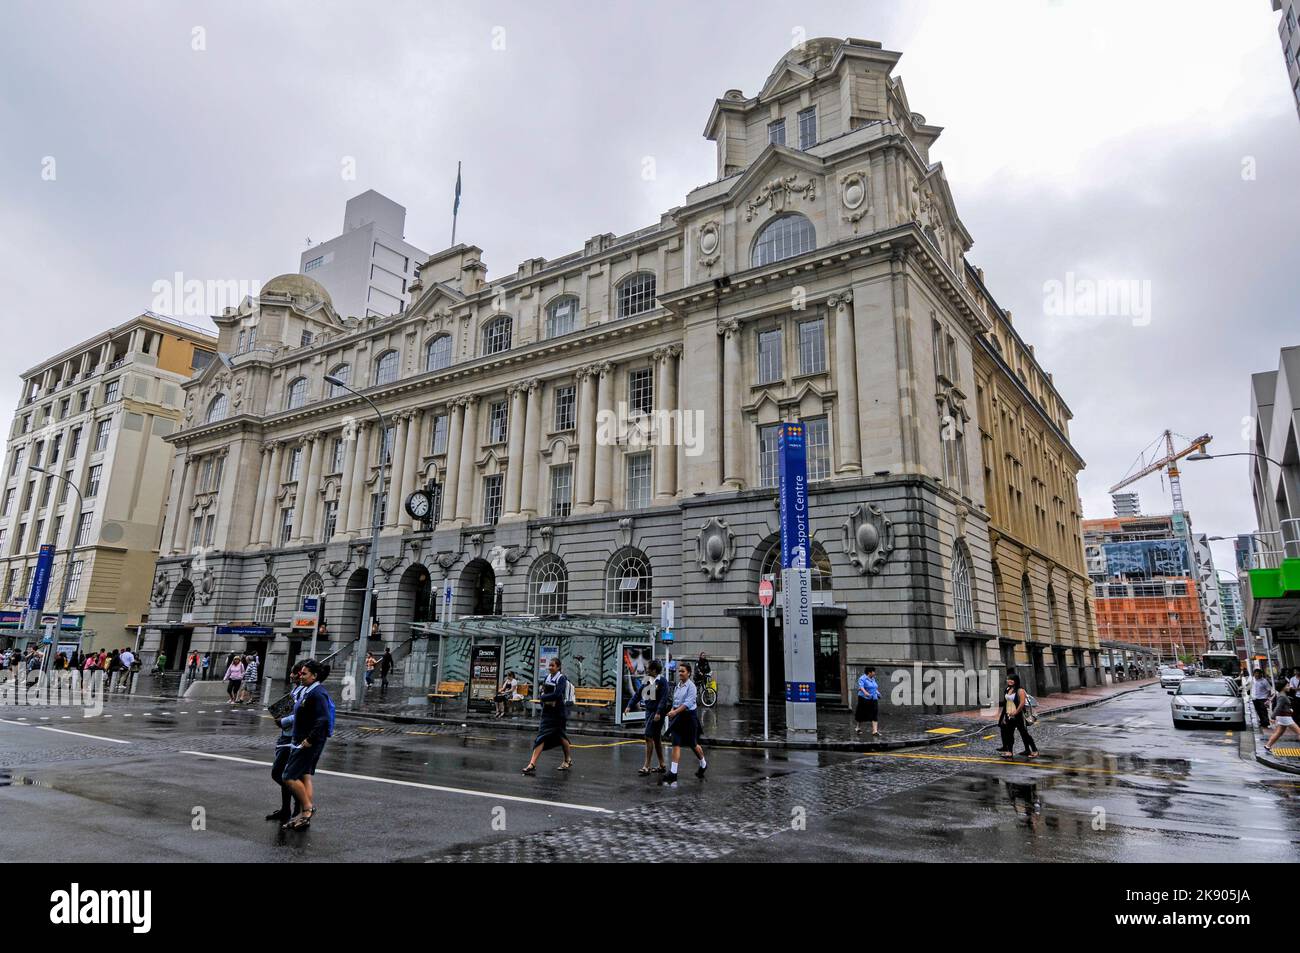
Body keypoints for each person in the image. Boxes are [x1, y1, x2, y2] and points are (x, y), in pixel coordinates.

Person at [280, 659, 334, 831]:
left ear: (314, 676)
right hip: (300, 739)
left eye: (304, 674)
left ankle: (308, 810)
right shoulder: (307, 690)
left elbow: (323, 719)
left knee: (288, 776)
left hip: (308, 742)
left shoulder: (317, 693)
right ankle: (304, 813)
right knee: (304, 775)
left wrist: (309, 739)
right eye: (300, 673)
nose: (300, 676)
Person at [268, 668, 307, 824]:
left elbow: (302, 713)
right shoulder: (296, 689)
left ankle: (300, 801)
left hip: (293, 737)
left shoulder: (305, 691)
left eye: (294, 673)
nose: (290, 675)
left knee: (280, 773)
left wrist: (283, 721)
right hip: (286, 735)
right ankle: (286, 808)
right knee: (283, 773)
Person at [522, 657, 572, 774]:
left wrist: (543, 698)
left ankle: (567, 759)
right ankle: (532, 764)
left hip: (558, 713)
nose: (550, 667)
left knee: (561, 736)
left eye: (552, 665)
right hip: (547, 713)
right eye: (549, 665)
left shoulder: (561, 678)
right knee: (541, 737)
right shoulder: (547, 677)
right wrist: (543, 697)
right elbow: (542, 690)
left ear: (558, 667)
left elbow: (557, 694)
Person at [661, 660, 707, 787]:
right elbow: (675, 702)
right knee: (676, 743)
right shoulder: (678, 685)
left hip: (689, 719)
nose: (680, 673)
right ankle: (673, 773)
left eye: (682, 671)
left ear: (689, 673)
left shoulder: (691, 687)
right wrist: (671, 710)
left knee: (693, 744)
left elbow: (687, 703)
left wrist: (675, 712)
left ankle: (703, 763)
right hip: (677, 718)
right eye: (679, 671)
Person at [638, 659, 671, 776]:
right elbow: (639, 693)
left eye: (648, 668)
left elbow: (663, 699)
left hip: (657, 713)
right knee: (656, 738)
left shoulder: (662, 682)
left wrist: (658, 713)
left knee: (648, 735)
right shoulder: (648, 680)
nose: (646, 670)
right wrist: (629, 705)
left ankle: (646, 766)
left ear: (654, 670)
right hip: (649, 711)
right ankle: (662, 764)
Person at [997, 672, 1038, 759]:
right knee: (1009, 734)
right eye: (1008, 679)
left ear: (1015, 681)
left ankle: (1034, 750)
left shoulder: (1020, 690)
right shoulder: (1008, 689)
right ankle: (1010, 752)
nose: (1009, 681)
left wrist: (1016, 712)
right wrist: (1005, 715)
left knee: (1024, 734)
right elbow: (1006, 703)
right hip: (1009, 715)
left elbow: (1022, 703)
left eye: (1011, 679)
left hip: (1019, 716)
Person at [1265, 679, 1300, 753]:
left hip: (1284, 717)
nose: (1289, 686)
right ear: (1283, 687)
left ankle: (1268, 746)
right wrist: (1272, 717)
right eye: (1287, 685)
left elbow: (1282, 707)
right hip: (1285, 717)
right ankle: (1268, 745)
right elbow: (1278, 707)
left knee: (1279, 733)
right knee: (1299, 732)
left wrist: (1289, 709)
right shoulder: (1282, 696)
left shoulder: (1282, 694)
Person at [855, 665, 881, 737]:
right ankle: (858, 727)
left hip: (873, 698)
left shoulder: (873, 679)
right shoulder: (862, 678)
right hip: (864, 698)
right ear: (869, 672)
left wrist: (878, 694)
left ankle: (875, 731)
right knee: (861, 714)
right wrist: (865, 692)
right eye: (873, 672)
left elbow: (874, 687)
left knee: (874, 713)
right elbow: (861, 687)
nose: (874, 673)